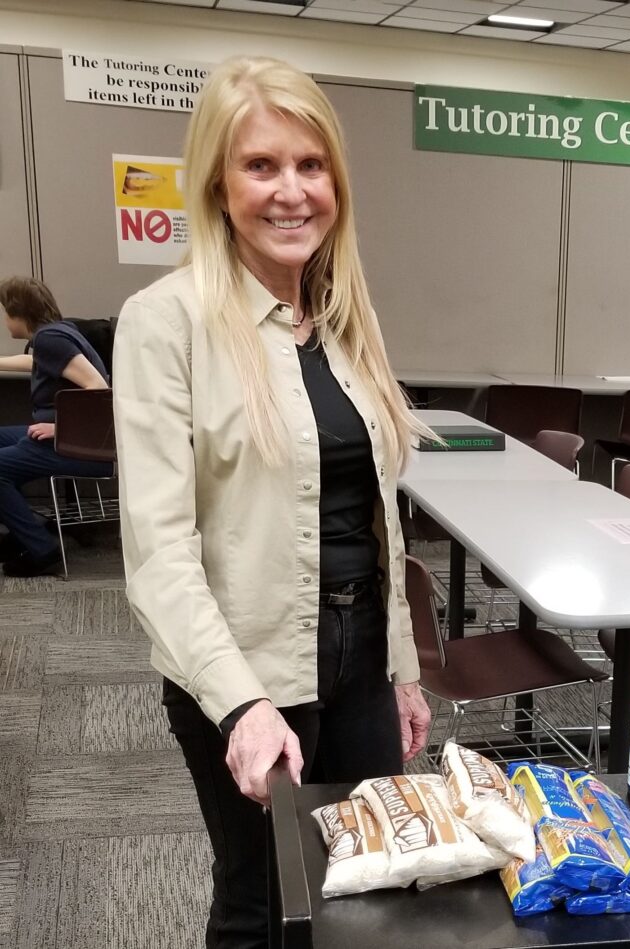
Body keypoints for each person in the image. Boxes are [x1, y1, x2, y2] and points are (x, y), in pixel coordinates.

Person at [112, 57, 434, 949]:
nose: (291, 192)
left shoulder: (343, 317)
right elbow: (158, 553)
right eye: (261, 166)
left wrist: (400, 667)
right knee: (262, 902)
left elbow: (375, 517)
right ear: (217, 183)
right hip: (244, 665)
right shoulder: (166, 321)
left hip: (361, 652)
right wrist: (241, 704)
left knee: (365, 889)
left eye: (311, 165)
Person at [0, 276, 112, 576]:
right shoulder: (56, 335)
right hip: (79, 440)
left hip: (81, 446)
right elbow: (34, 363)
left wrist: (59, 428)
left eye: (5, 313)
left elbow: (99, 389)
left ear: (18, 312)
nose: (5, 320)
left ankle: (41, 549)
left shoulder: (51, 339)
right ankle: (23, 531)